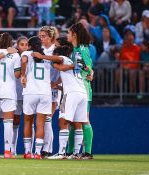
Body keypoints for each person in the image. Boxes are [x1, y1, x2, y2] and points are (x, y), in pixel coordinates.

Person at [21, 36, 63, 159]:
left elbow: (23, 61)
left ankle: (28, 152)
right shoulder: (46, 57)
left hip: (30, 92)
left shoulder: (27, 53)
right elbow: (59, 60)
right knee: (41, 124)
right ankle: (38, 153)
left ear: (29, 45)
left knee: (28, 122)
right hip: (45, 93)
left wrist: (23, 75)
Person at [65, 23, 94, 160]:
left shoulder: (82, 48)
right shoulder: (74, 49)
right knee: (72, 121)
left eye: (68, 33)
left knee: (84, 120)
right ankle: (70, 151)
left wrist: (89, 72)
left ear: (74, 34)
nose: (67, 35)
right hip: (76, 88)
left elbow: (88, 66)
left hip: (83, 88)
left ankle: (88, 152)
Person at [38, 26, 57, 158]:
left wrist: (58, 82)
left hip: (53, 88)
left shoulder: (55, 49)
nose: (41, 39)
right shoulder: (40, 50)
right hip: (41, 88)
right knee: (42, 120)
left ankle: (47, 149)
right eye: (40, 36)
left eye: (43, 36)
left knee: (48, 119)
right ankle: (44, 149)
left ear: (50, 37)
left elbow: (63, 67)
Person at [12, 36, 28, 156]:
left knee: (29, 121)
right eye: (22, 44)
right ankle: (13, 149)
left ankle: (30, 150)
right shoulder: (14, 57)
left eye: (26, 44)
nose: (24, 46)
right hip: (17, 93)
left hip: (28, 93)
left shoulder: (31, 57)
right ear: (17, 45)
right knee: (15, 122)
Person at [118, 25, 141, 93]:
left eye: (131, 38)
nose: (129, 39)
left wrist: (128, 66)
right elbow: (120, 59)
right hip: (124, 67)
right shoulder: (123, 48)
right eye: (127, 37)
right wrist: (123, 66)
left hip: (133, 68)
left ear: (134, 39)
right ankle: (119, 92)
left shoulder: (137, 48)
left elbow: (136, 61)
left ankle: (131, 92)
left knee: (131, 73)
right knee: (118, 72)